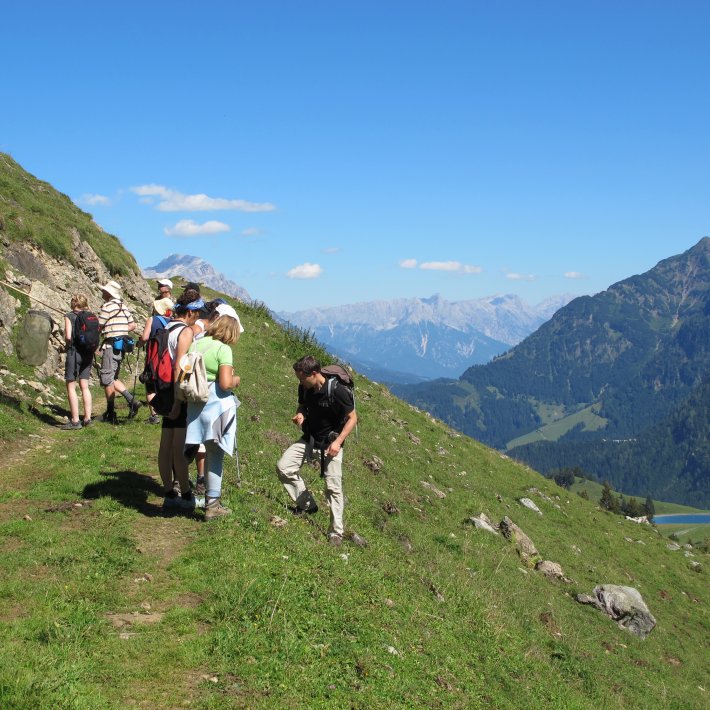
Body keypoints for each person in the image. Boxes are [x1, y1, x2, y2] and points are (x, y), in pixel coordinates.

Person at [276, 356, 357, 547]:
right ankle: (307, 505)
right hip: (310, 438)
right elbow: (303, 405)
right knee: (283, 467)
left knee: (333, 487)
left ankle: (336, 532)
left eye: (302, 378)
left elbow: (352, 418)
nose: (300, 382)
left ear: (314, 374)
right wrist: (300, 415)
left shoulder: (337, 391)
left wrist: (338, 442)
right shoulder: (305, 387)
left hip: (331, 443)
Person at [184, 303, 243, 520]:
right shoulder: (223, 349)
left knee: (202, 449)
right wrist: (236, 380)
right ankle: (213, 504)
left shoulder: (196, 345)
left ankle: (182, 489)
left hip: (196, 406)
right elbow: (226, 383)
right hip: (217, 408)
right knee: (215, 455)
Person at [158, 291, 203, 511]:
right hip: (176, 391)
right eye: (197, 313)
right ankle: (186, 496)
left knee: (165, 444)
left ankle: (168, 492)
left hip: (162, 387)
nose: (198, 317)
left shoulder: (166, 326)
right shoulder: (184, 332)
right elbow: (180, 366)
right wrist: (178, 400)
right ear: (191, 311)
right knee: (178, 447)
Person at [98, 280, 140, 424]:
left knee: (107, 378)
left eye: (104, 291)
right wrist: (121, 329)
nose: (102, 293)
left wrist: (111, 330)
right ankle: (131, 400)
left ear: (108, 293)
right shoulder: (123, 306)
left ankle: (110, 413)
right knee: (113, 376)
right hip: (121, 346)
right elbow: (133, 324)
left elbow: (99, 325)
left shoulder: (107, 306)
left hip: (110, 345)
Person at [139, 296, 174, 424]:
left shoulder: (152, 320)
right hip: (166, 359)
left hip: (152, 357)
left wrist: (139, 343)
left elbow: (145, 337)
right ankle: (166, 410)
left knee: (150, 387)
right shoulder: (172, 321)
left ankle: (154, 415)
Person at [61, 294, 94, 429]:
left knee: (71, 385)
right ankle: (87, 418)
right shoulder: (91, 316)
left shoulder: (69, 316)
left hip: (74, 353)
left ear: (73, 304)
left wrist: (67, 344)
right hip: (88, 353)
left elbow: (68, 336)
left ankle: (75, 420)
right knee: (84, 386)